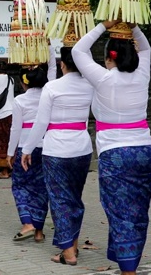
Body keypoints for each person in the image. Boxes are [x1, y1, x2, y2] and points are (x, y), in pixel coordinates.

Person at [72, 21, 151, 274]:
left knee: (120, 211)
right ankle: (132, 262)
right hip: (145, 150)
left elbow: (77, 51)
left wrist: (102, 26)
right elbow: (147, 49)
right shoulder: (142, 74)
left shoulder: (103, 78)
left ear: (110, 57)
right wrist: (134, 28)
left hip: (115, 153)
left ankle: (128, 268)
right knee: (139, 210)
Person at [21, 47, 94, 266]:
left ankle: (68, 252)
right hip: (81, 146)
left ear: (63, 64)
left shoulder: (52, 87)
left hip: (56, 149)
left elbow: (41, 122)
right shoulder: (91, 84)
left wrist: (27, 149)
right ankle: (73, 244)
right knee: (74, 198)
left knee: (61, 200)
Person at [7, 45, 56, 243]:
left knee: (20, 185)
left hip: (25, 147)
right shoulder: (50, 94)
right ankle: (38, 231)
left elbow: (15, 129)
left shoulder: (20, 100)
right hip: (47, 147)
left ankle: (27, 222)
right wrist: (50, 48)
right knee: (41, 187)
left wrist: (10, 152)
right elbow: (52, 69)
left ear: (24, 83)